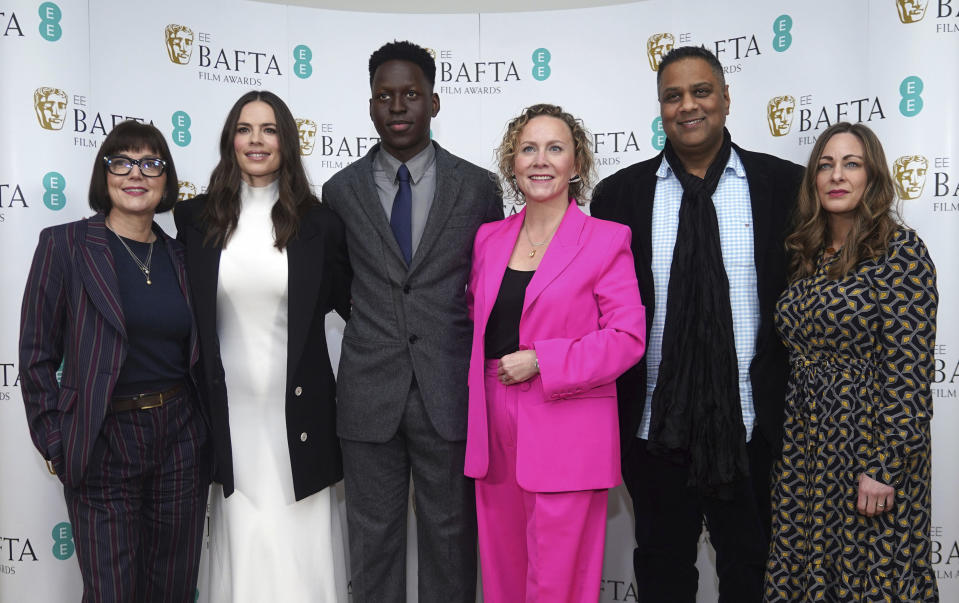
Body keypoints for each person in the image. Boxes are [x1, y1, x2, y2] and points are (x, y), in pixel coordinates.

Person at [590, 45, 803, 602]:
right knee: (661, 571)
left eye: (701, 91)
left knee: (751, 570)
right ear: (660, 108)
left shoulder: (785, 187)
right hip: (655, 427)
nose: (688, 105)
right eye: (673, 95)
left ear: (727, 99)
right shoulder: (618, 196)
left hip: (753, 424)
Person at [321, 40, 503, 603]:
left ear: (435, 102)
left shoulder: (477, 189)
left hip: (448, 392)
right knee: (372, 544)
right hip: (368, 394)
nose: (398, 106)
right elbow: (339, 286)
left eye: (411, 95)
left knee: (450, 540)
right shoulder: (339, 192)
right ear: (370, 106)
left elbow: (487, 287)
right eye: (384, 96)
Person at [20, 120, 209, 601]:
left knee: (174, 587)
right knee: (112, 591)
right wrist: (57, 442)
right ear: (104, 174)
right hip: (102, 437)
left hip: (179, 439)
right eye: (121, 162)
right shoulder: (65, 246)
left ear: (166, 179)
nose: (136, 174)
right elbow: (37, 355)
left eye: (151, 163)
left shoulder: (182, 257)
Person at [174, 90, 351, 603]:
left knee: (302, 549)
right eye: (245, 129)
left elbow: (357, 310)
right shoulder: (195, 219)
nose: (256, 140)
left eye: (269, 129)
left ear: (287, 142)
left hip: (301, 419)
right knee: (243, 543)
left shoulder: (320, 224)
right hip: (229, 422)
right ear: (230, 139)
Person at [465, 103, 646, 602]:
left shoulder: (606, 240)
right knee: (502, 581)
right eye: (528, 148)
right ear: (512, 163)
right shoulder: (487, 239)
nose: (540, 160)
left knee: (558, 586)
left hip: (566, 429)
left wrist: (545, 359)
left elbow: (627, 338)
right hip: (493, 432)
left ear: (576, 165)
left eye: (554, 148)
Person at [764, 122, 939, 602]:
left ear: (872, 178)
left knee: (873, 577)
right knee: (806, 570)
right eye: (825, 165)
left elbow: (910, 372)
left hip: (870, 446)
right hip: (807, 447)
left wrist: (884, 466)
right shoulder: (808, 253)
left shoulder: (900, 252)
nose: (836, 176)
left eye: (851, 164)